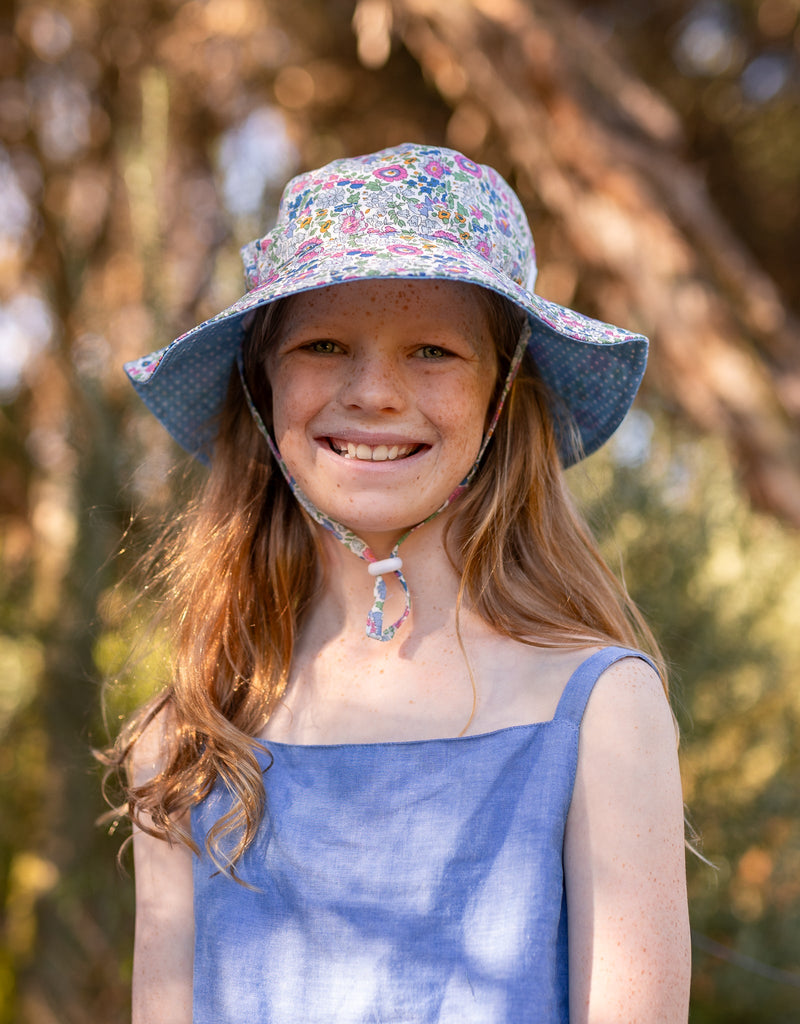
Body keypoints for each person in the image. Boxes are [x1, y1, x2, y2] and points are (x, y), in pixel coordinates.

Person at [111, 143, 690, 1024]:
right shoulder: (190, 736)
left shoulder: (599, 711)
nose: (375, 391)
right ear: (263, 387)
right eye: (323, 344)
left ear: (503, 396)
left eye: (433, 350)